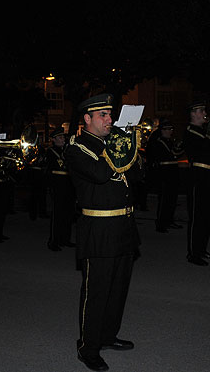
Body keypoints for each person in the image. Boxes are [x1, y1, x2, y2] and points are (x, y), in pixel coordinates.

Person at [66, 93, 141, 371]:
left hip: (123, 226)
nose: (110, 120)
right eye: (103, 116)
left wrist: (130, 147)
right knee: (96, 292)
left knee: (118, 288)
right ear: (87, 119)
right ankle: (88, 347)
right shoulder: (77, 148)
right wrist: (119, 147)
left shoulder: (111, 145)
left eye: (110, 115)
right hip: (98, 229)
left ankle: (108, 336)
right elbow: (98, 173)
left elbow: (136, 175)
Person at [183, 101, 210, 266]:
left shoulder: (205, 131)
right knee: (197, 216)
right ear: (193, 114)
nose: (204, 113)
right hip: (197, 177)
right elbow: (205, 145)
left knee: (207, 216)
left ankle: (202, 249)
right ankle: (193, 253)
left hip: (209, 176)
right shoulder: (190, 130)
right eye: (201, 111)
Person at [146, 119, 183, 233]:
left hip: (172, 172)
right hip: (164, 173)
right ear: (161, 131)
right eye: (166, 129)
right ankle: (161, 223)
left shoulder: (169, 141)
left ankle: (169, 220)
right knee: (164, 200)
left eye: (170, 129)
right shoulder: (158, 142)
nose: (169, 132)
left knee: (172, 199)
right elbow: (169, 155)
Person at [45, 127, 76, 251]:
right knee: (57, 214)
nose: (63, 139)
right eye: (60, 137)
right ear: (54, 139)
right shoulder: (51, 152)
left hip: (68, 185)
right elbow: (48, 170)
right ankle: (53, 241)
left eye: (63, 137)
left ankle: (65, 239)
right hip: (57, 185)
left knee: (68, 214)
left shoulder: (67, 151)